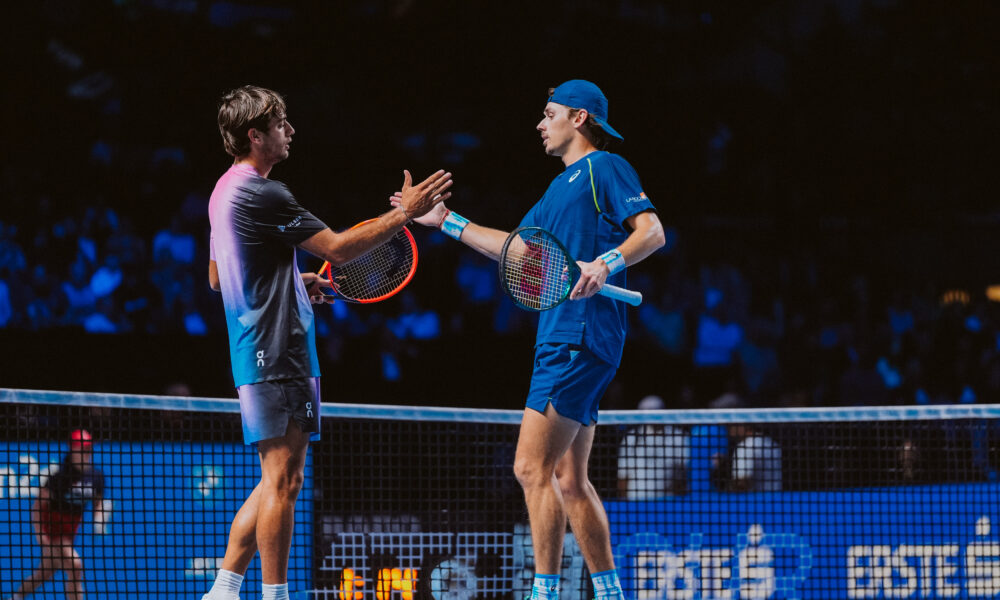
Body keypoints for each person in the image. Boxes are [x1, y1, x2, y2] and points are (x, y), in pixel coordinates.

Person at [397, 80, 664, 600]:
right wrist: (445, 221)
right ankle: (610, 592)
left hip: (577, 333)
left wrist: (607, 261)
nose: (541, 124)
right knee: (569, 478)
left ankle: (544, 592)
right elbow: (518, 251)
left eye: (549, 113)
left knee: (528, 466)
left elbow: (651, 232)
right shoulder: (556, 189)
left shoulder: (603, 168)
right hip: (571, 336)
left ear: (580, 118)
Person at [203, 85, 452, 600]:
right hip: (281, 350)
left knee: (277, 476)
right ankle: (275, 595)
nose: (290, 130)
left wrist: (295, 283)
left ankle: (225, 589)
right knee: (284, 482)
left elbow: (216, 276)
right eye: (281, 124)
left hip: (251, 347)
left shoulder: (223, 192)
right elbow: (338, 250)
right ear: (255, 135)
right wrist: (406, 212)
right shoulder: (265, 192)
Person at [9, 429, 108, 600]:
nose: (86, 453)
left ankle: (15, 597)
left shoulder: (96, 477)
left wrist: (99, 521)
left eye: (89, 449)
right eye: (82, 449)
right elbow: (38, 507)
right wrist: (41, 536)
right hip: (53, 532)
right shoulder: (59, 478)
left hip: (70, 534)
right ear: (72, 449)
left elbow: (98, 502)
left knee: (44, 573)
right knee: (76, 567)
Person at [617, 395, 690, 499]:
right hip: (636, 503)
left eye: (653, 411)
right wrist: (625, 505)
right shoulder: (631, 438)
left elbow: (685, 474)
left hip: (668, 503)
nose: (650, 416)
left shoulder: (678, 437)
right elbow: (623, 476)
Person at [723, 424, 782, 492]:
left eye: (730, 426)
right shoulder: (772, 444)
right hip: (775, 499)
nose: (730, 432)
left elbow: (742, 483)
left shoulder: (744, 447)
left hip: (753, 501)